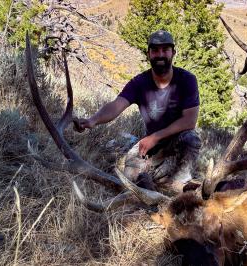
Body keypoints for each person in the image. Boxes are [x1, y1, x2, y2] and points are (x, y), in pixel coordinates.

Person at [74, 30, 201, 193]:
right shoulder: (139, 82)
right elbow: (116, 105)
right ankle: (155, 183)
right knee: (130, 176)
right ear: (148, 54)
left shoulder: (187, 80)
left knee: (191, 138)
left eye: (165, 50)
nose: (160, 54)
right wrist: (93, 120)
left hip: (177, 143)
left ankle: (180, 184)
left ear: (173, 53)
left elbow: (190, 121)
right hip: (151, 149)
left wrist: (155, 137)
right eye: (155, 50)